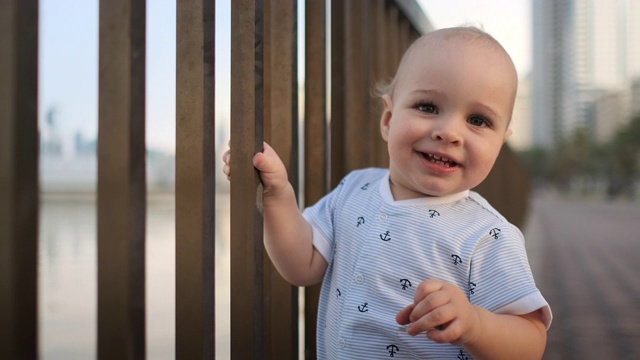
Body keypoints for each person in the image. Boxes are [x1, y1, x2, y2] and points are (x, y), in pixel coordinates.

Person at [223, 26, 552, 359]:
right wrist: (277, 196)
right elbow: (301, 265)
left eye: (478, 120)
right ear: (388, 119)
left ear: (501, 142)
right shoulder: (354, 188)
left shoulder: (487, 235)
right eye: (428, 107)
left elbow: (531, 340)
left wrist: (476, 324)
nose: (449, 132)